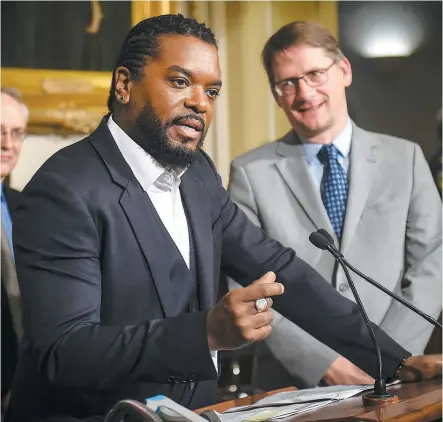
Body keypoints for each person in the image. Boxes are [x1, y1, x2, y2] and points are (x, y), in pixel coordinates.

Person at [7, 15, 441, 422]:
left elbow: (282, 271)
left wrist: (394, 359)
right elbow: (63, 350)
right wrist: (205, 333)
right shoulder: (63, 188)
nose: (199, 103)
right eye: (180, 82)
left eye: (211, 91)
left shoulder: (198, 174)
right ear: (124, 84)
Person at [228, 21, 442, 389]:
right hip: (295, 383)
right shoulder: (250, 172)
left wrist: (389, 357)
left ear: (343, 71)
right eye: (287, 82)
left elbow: (432, 261)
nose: (304, 92)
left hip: (400, 376)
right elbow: (244, 284)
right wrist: (323, 362)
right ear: (276, 94)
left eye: (314, 74)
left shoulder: (404, 158)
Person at [1, 88, 27, 415]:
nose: (8, 144)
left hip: (26, 386)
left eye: (17, 133)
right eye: (0, 131)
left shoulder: (28, 205)